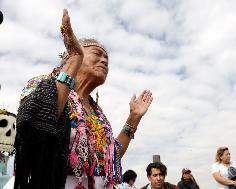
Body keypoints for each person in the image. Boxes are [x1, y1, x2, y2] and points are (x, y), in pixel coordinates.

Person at [13, 9, 153, 189]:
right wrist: (75, 58)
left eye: (107, 59)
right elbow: (39, 127)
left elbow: (111, 156)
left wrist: (134, 118)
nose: (104, 61)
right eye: (97, 54)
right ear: (72, 54)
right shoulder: (42, 84)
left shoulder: (96, 113)